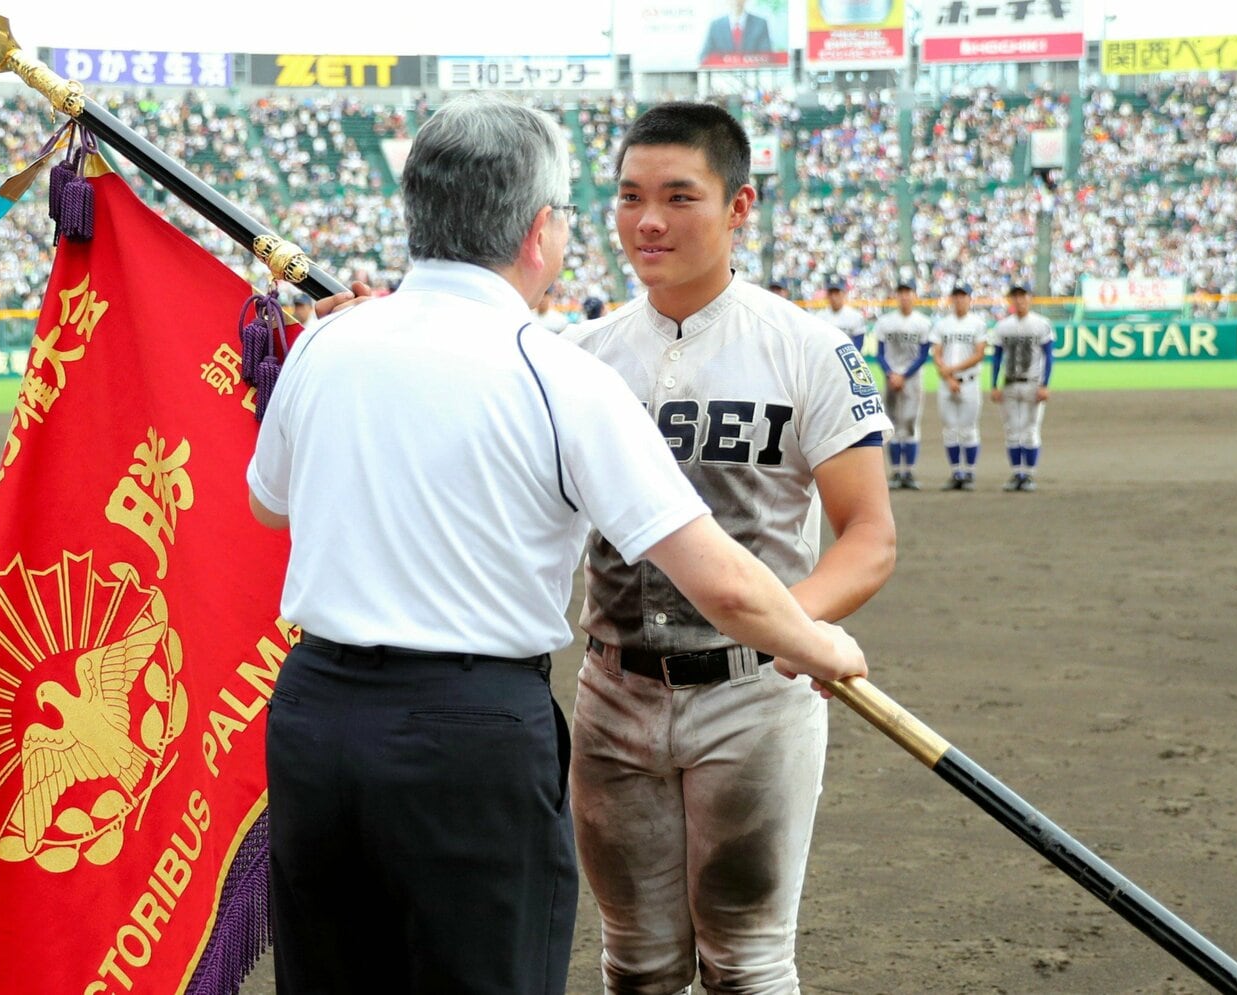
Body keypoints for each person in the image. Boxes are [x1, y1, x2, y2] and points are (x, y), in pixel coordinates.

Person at [246, 93, 869, 995]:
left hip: (316, 717)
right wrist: (822, 643)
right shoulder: (558, 371)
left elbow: (270, 507)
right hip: (467, 730)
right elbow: (718, 581)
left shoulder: (329, 342)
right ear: (541, 230)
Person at [565, 101, 896, 995]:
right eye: (630, 196)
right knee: (635, 960)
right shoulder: (577, 356)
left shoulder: (811, 350)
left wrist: (793, 626)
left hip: (754, 692)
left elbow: (868, 536)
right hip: (611, 691)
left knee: (747, 962)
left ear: (740, 206)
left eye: (680, 196)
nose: (649, 221)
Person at [989, 281, 1054, 492]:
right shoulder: (1002, 326)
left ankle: (1029, 474)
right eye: (1015, 296)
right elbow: (997, 358)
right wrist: (994, 385)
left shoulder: (1041, 324)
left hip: (1032, 383)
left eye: (1023, 295)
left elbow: (1049, 356)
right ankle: (1017, 473)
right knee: (1012, 431)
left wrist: (1045, 384)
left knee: (1030, 430)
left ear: (1030, 298)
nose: (1019, 300)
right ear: (1011, 299)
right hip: (1009, 384)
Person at [928, 281, 988, 490]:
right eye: (957, 295)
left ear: (970, 299)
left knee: (969, 429)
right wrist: (948, 377)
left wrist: (952, 371)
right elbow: (936, 352)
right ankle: (956, 472)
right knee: (950, 430)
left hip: (969, 382)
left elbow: (979, 354)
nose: (960, 299)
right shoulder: (942, 324)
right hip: (947, 383)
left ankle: (969, 473)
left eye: (964, 295)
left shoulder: (978, 323)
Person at [872, 279, 932, 490]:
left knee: (910, 424)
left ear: (914, 295)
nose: (905, 296)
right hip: (891, 379)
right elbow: (879, 353)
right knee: (892, 425)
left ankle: (909, 472)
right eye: (901, 292)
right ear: (896, 296)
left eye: (908, 292)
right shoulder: (885, 322)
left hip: (912, 380)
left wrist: (904, 375)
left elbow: (924, 355)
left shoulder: (923, 322)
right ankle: (897, 471)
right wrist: (891, 373)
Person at [700, 0, 773, 60]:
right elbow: (703, 57)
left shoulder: (760, 24)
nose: (736, 1)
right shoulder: (715, 26)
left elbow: (767, 56)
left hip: (752, 75)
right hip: (722, 75)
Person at [823, 275, 867, 351]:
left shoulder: (855, 316)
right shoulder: (819, 317)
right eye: (831, 293)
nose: (833, 297)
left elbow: (859, 344)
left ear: (844, 293)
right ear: (827, 295)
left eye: (837, 293)